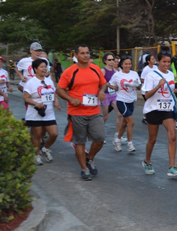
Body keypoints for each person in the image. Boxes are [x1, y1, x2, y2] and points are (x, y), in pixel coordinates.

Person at [56, 44, 108, 181]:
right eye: (83, 53)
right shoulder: (70, 71)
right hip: (77, 112)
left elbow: (103, 83)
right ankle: (84, 169)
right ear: (76, 56)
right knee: (80, 141)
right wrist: (70, 99)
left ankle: (89, 158)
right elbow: (60, 89)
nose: (86, 55)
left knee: (100, 138)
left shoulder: (95, 69)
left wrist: (101, 91)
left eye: (87, 52)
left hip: (94, 110)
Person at [142, 52, 177, 178]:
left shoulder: (171, 74)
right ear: (158, 61)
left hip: (167, 109)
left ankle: (171, 167)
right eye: (164, 62)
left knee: (172, 136)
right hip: (153, 109)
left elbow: (169, 90)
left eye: (168, 62)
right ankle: (147, 161)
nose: (166, 64)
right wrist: (158, 85)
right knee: (153, 139)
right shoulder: (151, 75)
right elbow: (146, 95)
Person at [23, 58, 60, 165]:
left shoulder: (49, 81)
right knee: (38, 136)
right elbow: (26, 98)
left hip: (48, 113)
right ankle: (36, 155)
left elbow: (53, 93)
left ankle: (45, 149)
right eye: (42, 67)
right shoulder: (31, 82)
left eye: (45, 66)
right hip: (35, 113)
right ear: (35, 69)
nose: (44, 69)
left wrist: (56, 101)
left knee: (54, 134)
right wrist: (36, 103)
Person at [108, 56, 141, 153]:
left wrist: (135, 85)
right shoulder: (117, 75)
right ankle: (130, 144)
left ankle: (117, 140)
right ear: (121, 64)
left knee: (125, 123)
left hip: (131, 100)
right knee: (131, 122)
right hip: (121, 101)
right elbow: (110, 84)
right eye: (126, 64)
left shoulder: (134, 73)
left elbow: (138, 86)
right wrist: (115, 88)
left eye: (129, 64)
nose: (128, 66)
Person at [100, 52, 118, 125]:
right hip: (105, 95)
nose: (111, 61)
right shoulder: (103, 71)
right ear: (105, 61)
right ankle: (99, 129)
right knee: (105, 116)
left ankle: (118, 134)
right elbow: (100, 83)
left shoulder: (116, 71)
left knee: (120, 113)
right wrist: (108, 85)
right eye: (109, 60)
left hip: (114, 94)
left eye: (113, 59)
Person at [140, 53, 156, 125]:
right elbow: (142, 79)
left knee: (151, 103)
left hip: (154, 89)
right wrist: (150, 81)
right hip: (146, 90)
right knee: (148, 103)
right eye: (152, 59)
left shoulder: (155, 68)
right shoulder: (146, 69)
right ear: (148, 61)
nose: (154, 60)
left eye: (154, 58)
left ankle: (148, 117)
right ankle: (145, 117)